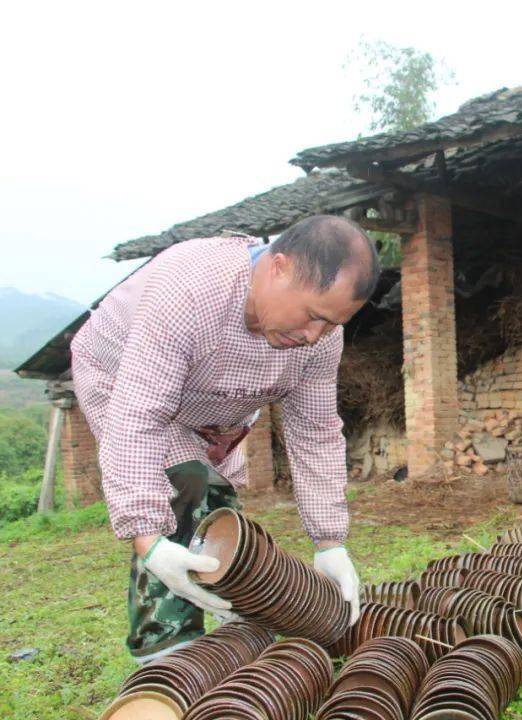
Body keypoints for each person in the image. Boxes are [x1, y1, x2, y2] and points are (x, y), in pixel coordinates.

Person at [70, 215, 380, 663]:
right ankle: (165, 655)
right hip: (122, 379)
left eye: (331, 324)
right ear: (278, 267)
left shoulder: (319, 340)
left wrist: (330, 542)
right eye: (312, 316)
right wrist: (148, 541)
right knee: (188, 486)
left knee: (217, 512)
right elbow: (139, 416)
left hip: (212, 411)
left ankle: (234, 618)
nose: (315, 335)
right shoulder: (191, 292)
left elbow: (315, 432)